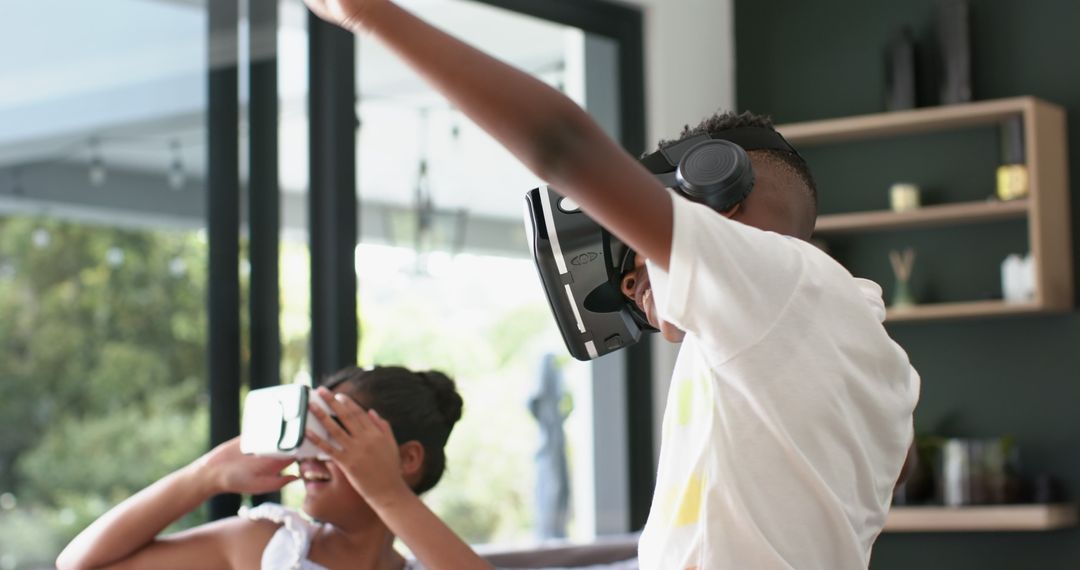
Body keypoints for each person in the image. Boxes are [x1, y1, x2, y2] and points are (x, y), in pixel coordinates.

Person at [302, 1, 919, 569]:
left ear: (716, 195)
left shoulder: (773, 280)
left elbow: (564, 146)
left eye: (640, 258)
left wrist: (370, 15)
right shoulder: (867, 354)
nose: (634, 290)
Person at [56, 366, 494, 570]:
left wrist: (386, 493)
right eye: (309, 434)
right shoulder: (267, 546)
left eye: (337, 434)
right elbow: (80, 565)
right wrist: (206, 474)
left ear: (407, 459)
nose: (309, 455)